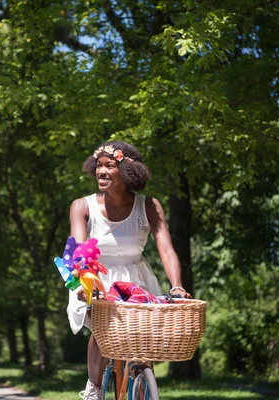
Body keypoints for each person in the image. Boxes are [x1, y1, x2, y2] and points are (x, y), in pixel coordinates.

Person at [66, 141, 191, 400]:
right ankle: (94, 388)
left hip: (136, 279)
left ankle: (144, 386)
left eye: (109, 166)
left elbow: (166, 249)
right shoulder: (82, 206)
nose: (100, 172)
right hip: (96, 278)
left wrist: (177, 286)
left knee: (143, 339)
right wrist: (82, 283)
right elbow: (79, 250)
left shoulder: (148, 206)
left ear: (126, 172)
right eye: (98, 166)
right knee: (103, 331)